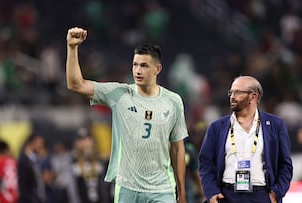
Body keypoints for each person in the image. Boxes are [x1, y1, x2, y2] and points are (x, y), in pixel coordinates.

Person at [66, 27, 188, 203]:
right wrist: (72, 48)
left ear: (157, 69)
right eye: (135, 64)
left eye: (144, 65)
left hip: (162, 189)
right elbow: (75, 84)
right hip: (127, 189)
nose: (137, 70)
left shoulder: (173, 101)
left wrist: (182, 191)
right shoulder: (120, 94)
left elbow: (178, 148)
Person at [198, 76, 293, 203]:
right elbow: (205, 163)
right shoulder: (216, 127)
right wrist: (212, 192)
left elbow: (285, 165)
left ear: (253, 96)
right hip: (226, 196)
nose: (232, 96)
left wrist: (276, 193)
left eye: (237, 92)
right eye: (231, 92)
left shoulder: (275, 125)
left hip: (261, 196)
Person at [17, 134, 46, 203]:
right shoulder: (23, 161)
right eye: (39, 143)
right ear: (32, 144)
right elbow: (23, 185)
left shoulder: (35, 159)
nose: (41, 146)